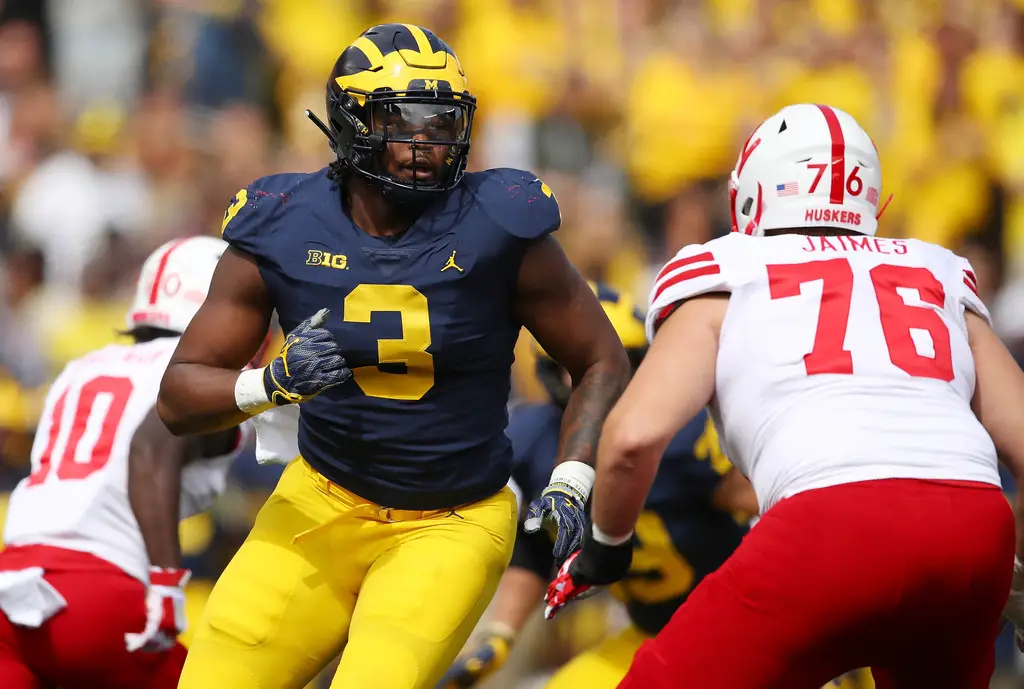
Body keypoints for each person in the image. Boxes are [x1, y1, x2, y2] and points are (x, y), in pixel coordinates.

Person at [156, 23, 630, 689]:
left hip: (451, 520)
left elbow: (602, 358)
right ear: (350, 123)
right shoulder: (282, 221)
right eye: (401, 122)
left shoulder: (499, 223)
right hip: (319, 500)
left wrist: (572, 473)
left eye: (442, 124)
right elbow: (178, 396)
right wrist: (267, 384)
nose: (425, 145)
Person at [544, 103, 1024, 689]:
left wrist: (606, 545)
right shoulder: (935, 271)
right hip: (973, 530)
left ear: (751, 194)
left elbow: (631, 438)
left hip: (830, 523)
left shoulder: (728, 269)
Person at [435, 281, 756, 689]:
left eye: (610, 366)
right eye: (578, 366)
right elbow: (533, 544)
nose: (593, 385)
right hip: (653, 633)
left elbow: (778, 509)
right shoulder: (535, 440)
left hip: (740, 625)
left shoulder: (680, 435)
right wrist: (499, 634)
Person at [0, 236, 249, 689]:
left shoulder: (82, 367)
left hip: (13, 582)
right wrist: (166, 579)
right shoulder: (196, 383)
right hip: (99, 593)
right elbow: (152, 451)